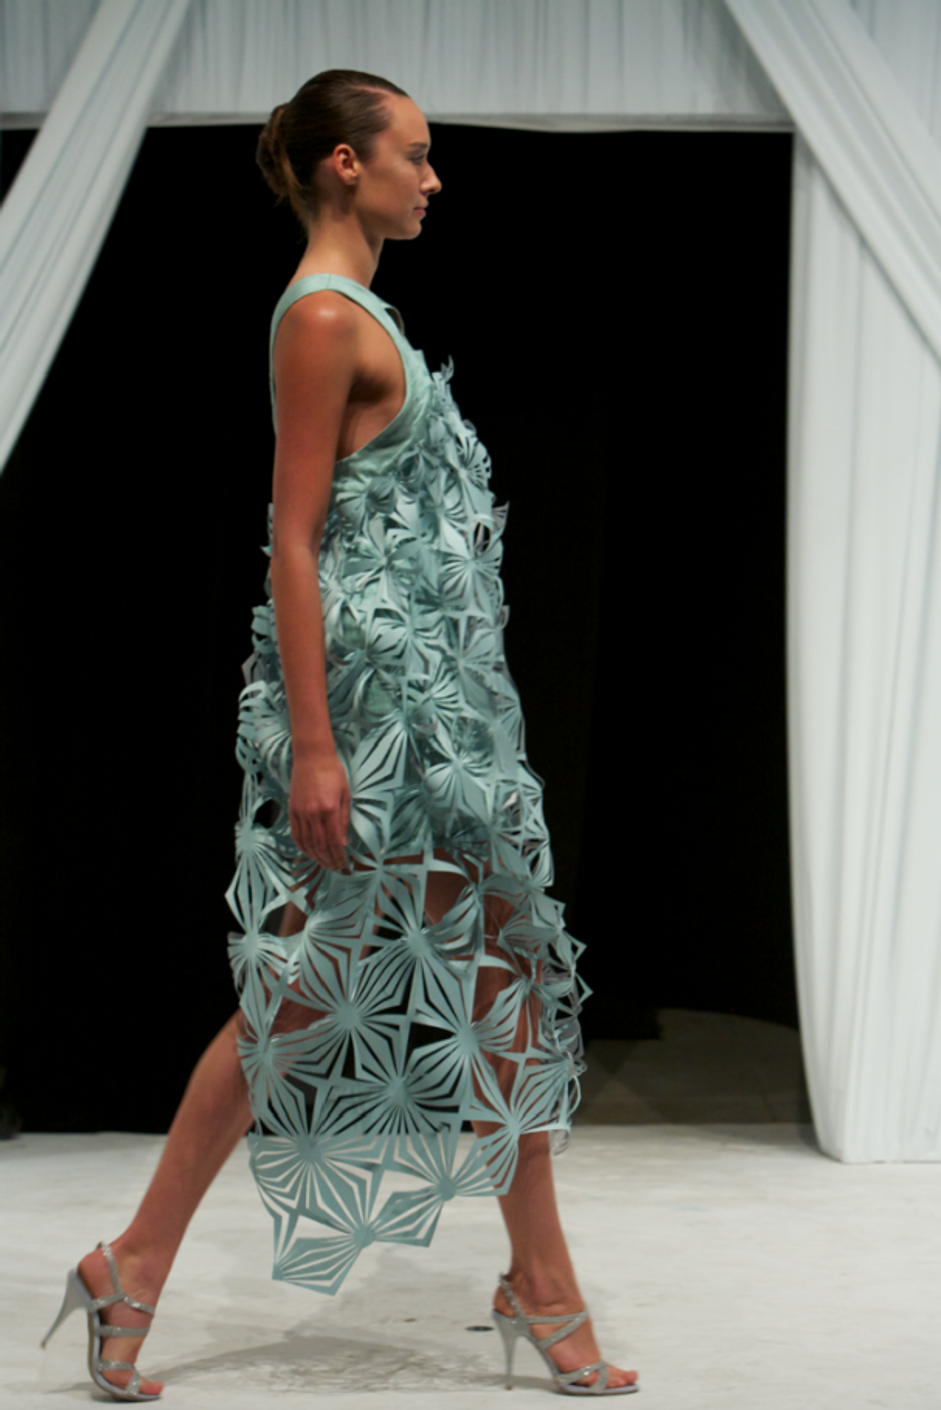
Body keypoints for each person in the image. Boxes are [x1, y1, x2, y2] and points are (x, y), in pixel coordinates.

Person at [41, 70, 638, 1400]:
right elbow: (295, 542)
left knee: (472, 984)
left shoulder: (361, 314)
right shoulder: (319, 317)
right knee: (330, 993)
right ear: (343, 166)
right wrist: (316, 748)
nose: (434, 178)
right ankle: (146, 1260)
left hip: (433, 717)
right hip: (379, 729)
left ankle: (145, 1265)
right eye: (414, 155)